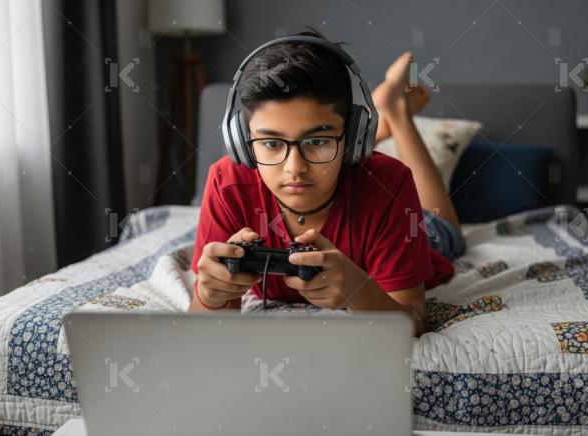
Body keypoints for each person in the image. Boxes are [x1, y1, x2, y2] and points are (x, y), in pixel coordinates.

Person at [189, 28, 465, 337]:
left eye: (317, 140)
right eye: (271, 143)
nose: (295, 169)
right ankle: (387, 117)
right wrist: (209, 296)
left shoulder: (390, 182)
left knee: (448, 230)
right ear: (242, 143)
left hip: (418, 231)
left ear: (351, 139)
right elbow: (209, 327)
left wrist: (358, 292)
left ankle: (399, 113)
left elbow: (412, 320)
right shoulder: (227, 182)